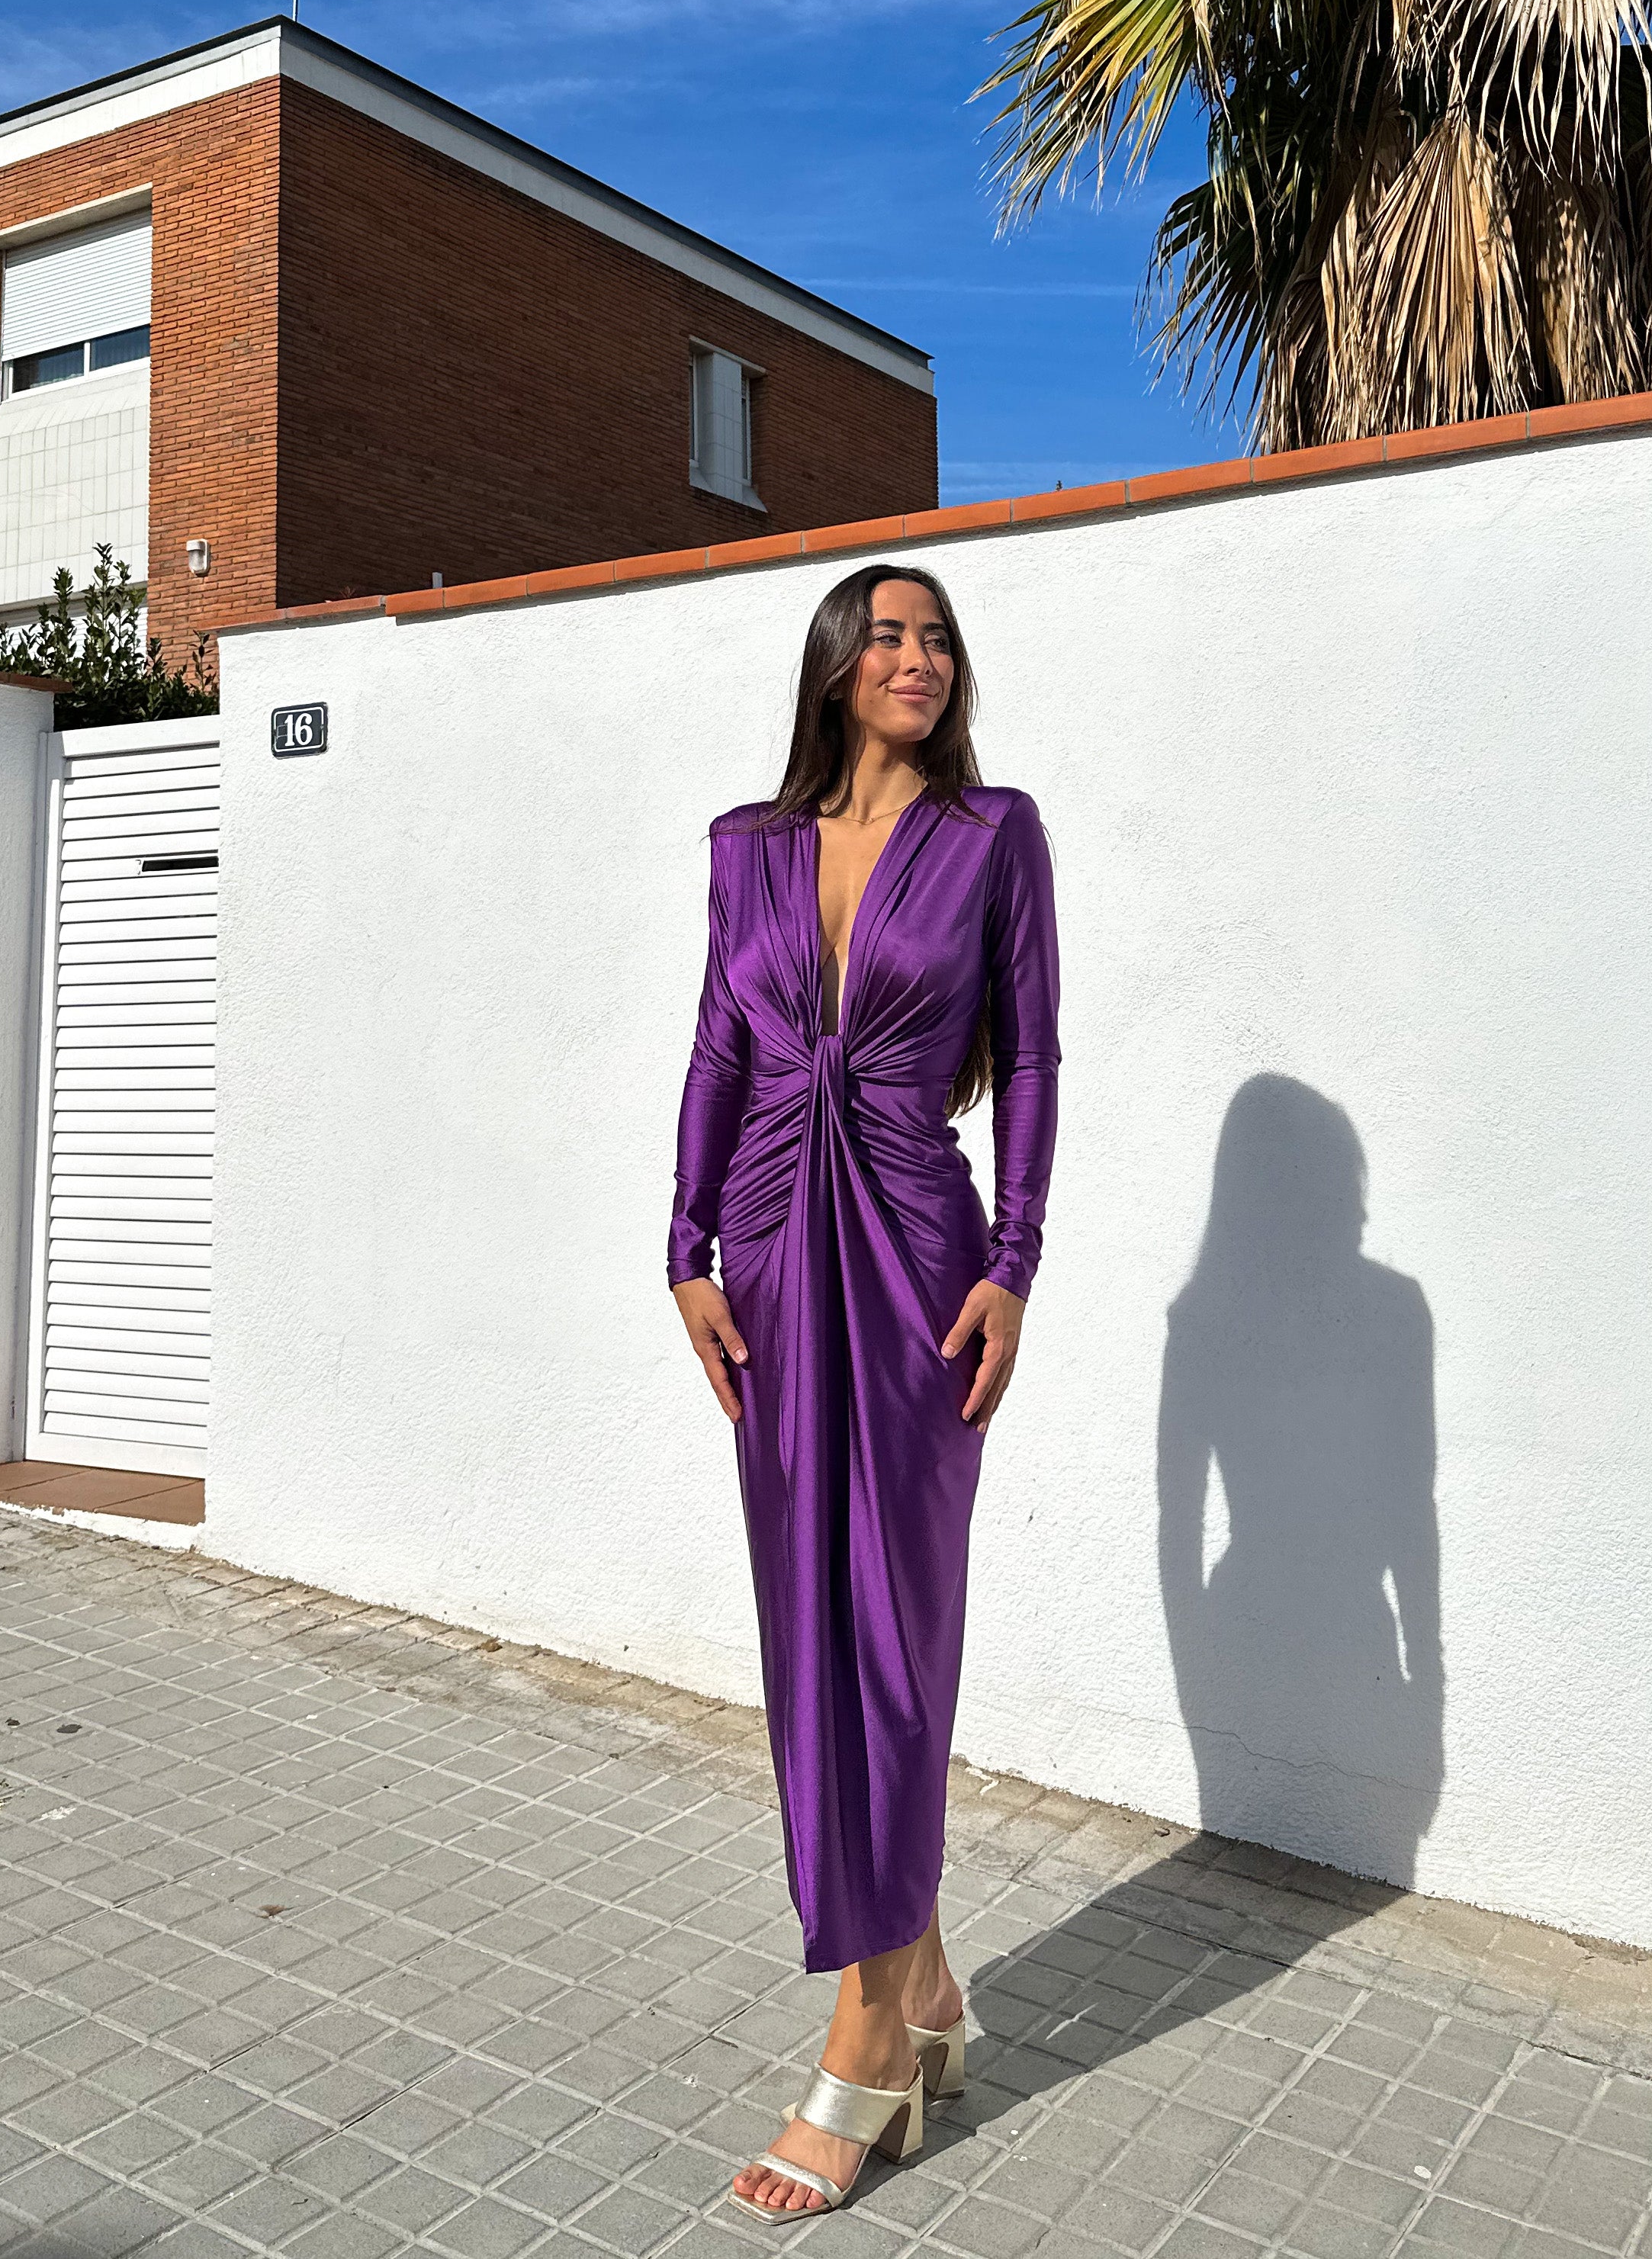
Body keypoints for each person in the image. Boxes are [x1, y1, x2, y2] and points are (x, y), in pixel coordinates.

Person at [668, 562, 1061, 2222]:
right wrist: (685, 1240)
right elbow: (718, 1046)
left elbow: (1032, 1051)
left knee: (893, 1632)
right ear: (834, 668)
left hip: (916, 1256)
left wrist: (1015, 1260)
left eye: (937, 637)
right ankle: (931, 1987)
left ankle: (861, 2039)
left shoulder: (993, 836)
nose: (917, 657)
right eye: (886, 635)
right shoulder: (743, 845)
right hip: (764, 1248)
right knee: (807, 1632)